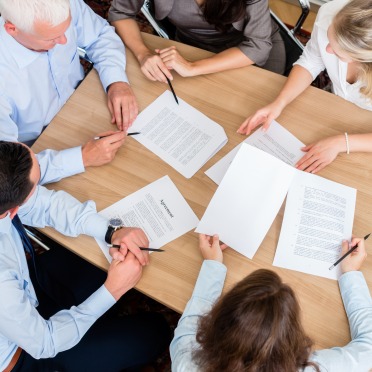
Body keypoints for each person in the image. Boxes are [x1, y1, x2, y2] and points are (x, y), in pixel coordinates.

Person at [0, 141, 170, 371]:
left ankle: (96, 319)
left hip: (27, 291)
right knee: (155, 331)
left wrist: (111, 232)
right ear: (11, 212)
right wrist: (114, 289)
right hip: (26, 355)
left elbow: (46, 205)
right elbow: (45, 342)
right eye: (33, 192)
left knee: (97, 262)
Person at [170, 233, 372, 371]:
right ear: (290, 335)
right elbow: (369, 346)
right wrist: (351, 273)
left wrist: (213, 264)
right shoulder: (313, 367)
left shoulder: (187, 361)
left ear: (218, 317)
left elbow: (191, 323)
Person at [0, 0, 139, 185]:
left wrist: (116, 81)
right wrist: (81, 158)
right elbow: (7, 171)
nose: (64, 41)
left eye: (66, 29)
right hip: (40, 150)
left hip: (84, 103)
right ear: (12, 29)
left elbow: (100, 35)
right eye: (51, 38)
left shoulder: (64, 5)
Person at [238, 0, 372, 174]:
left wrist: (341, 143)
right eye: (330, 38)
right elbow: (312, 60)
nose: (328, 50)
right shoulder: (332, 13)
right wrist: (279, 102)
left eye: (338, 51)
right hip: (334, 109)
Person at [108, 0, 286, 83]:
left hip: (249, 52)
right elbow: (120, 13)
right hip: (192, 47)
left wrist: (193, 68)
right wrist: (143, 54)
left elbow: (258, 46)